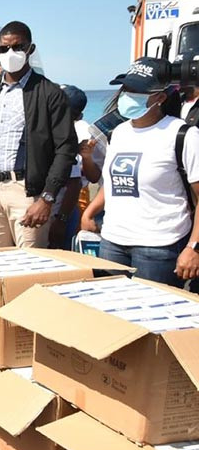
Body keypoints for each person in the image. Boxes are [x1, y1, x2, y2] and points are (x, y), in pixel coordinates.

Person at [0, 21, 77, 248]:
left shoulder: (49, 93)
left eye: (17, 47)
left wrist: (47, 198)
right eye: (4, 49)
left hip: (27, 191)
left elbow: (66, 149)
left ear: (30, 49)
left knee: (29, 266)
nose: (10, 53)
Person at [81, 58, 199, 287]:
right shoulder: (119, 133)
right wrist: (90, 212)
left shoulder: (183, 135)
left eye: (138, 91)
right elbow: (115, 182)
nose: (128, 95)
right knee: (110, 316)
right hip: (112, 243)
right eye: (126, 88)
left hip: (158, 250)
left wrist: (192, 247)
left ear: (160, 97)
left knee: (153, 319)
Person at [50, 85, 105, 250]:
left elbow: (91, 177)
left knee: (63, 245)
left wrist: (86, 157)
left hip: (71, 198)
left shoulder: (86, 132)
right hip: (66, 198)